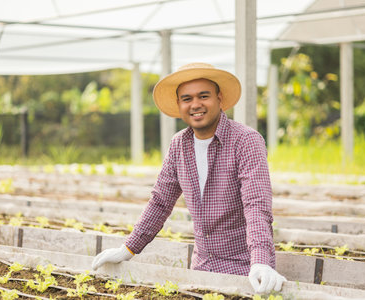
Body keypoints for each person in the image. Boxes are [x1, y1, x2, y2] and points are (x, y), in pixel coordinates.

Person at [92, 62, 287, 293]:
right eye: (187, 99)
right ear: (179, 104)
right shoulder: (179, 144)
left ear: (219, 99)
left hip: (246, 270)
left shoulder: (245, 141)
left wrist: (261, 261)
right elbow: (160, 201)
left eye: (203, 96)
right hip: (201, 267)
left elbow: (256, 205)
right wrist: (128, 249)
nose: (195, 104)